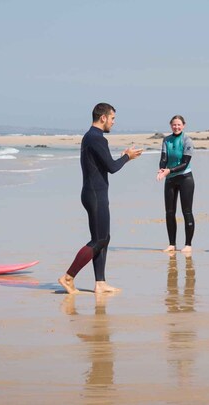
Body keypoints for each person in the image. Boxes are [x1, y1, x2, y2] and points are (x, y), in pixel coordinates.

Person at [58, 103, 143, 295]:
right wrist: (127, 157)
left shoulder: (91, 137)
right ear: (103, 118)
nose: (113, 122)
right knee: (98, 240)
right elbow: (112, 168)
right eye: (112, 118)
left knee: (104, 238)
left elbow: (106, 164)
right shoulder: (97, 139)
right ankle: (68, 277)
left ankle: (100, 282)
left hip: (94, 193)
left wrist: (122, 157)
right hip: (95, 194)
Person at [157, 115, 196, 254]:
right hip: (170, 179)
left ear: (183, 125)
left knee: (187, 211)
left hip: (185, 178)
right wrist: (162, 169)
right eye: (174, 125)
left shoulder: (187, 140)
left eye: (179, 125)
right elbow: (163, 158)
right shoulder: (166, 140)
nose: (176, 127)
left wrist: (169, 170)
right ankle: (172, 244)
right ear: (170, 125)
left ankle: (188, 244)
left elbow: (185, 163)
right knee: (169, 212)